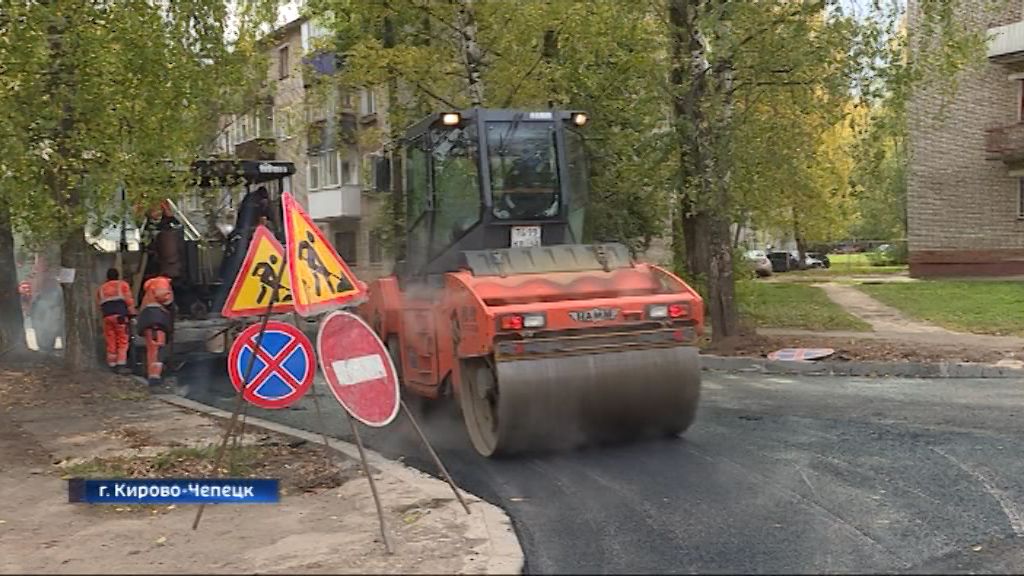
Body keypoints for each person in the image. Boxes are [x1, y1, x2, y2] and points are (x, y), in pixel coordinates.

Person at [137, 275, 174, 385]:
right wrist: (169, 300)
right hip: (157, 319)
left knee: (152, 350)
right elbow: (162, 296)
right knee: (158, 350)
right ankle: (155, 379)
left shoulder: (149, 289)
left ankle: (152, 375)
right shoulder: (162, 282)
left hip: (148, 319)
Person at [96, 268, 136, 370]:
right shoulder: (122, 285)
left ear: (107, 277)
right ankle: (121, 364)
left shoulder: (101, 288)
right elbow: (129, 301)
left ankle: (112, 364)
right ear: (118, 276)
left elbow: (99, 304)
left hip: (107, 317)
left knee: (110, 340)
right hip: (120, 317)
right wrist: (132, 315)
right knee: (122, 340)